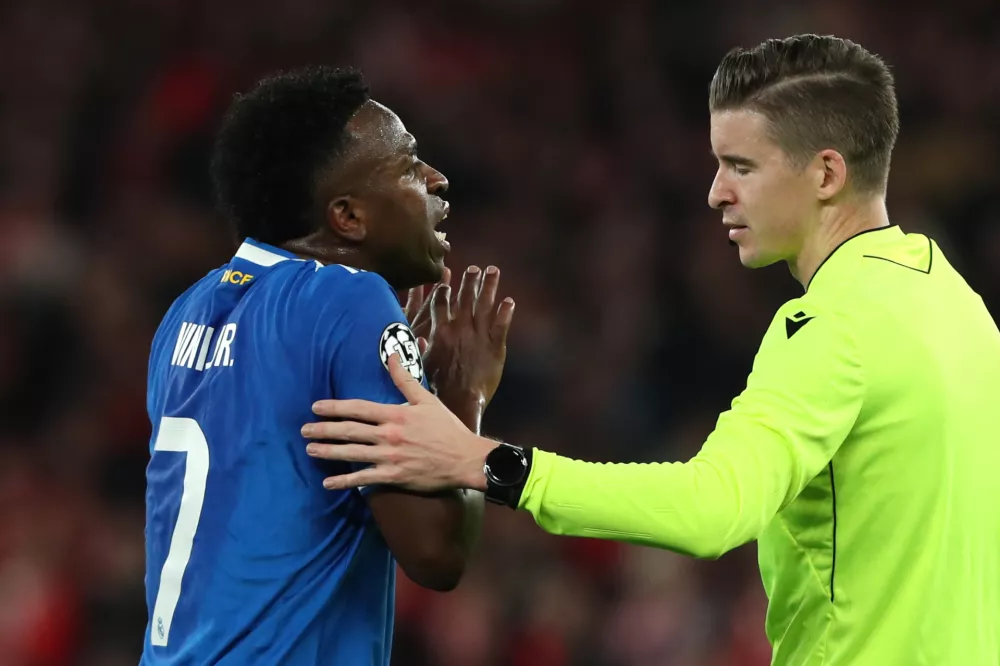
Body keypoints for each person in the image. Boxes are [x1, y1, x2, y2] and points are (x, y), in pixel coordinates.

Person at [301, 35, 1000, 665]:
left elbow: (712, 508)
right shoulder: (957, 304)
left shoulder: (833, 328)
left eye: (741, 166)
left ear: (825, 174)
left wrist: (481, 461)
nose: (715, 192)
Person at [141, 66, 514, 665]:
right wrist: (462, 397)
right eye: (408, 164)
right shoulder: (349, 299)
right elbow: (437, 554)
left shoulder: (182, 316)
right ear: (347, 217)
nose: (436, 179)